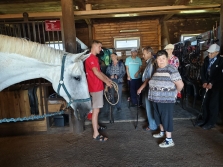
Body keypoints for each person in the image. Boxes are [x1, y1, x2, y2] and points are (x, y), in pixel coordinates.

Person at [148, 50, 184, 148]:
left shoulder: (172, 69)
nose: (161, 61)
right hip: (156, 99)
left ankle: (169, 140)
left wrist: (175, 93)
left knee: (166, 119)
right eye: (159, 59)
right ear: (156, 61)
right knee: (158, 117)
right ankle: (162, 132)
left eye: (163, 58)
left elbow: (180, 84)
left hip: (166, 100)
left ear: (167, 59)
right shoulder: (157, 69)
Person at [85, 40, 112, 141]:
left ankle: (96, 127)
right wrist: (107, 82)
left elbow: (99, 72)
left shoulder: (94, 58)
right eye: (100, 47)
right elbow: (96, 73)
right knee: (95, 110)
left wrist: (107, 79)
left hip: (97, 86)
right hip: (95, 87)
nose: (101, 49)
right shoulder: (90, 58)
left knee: (97, 109)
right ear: (94, 46)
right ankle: (96, 134)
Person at [195, 44, 223, 130]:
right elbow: (203, 70)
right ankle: (204, 119)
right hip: (206, 84)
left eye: (211, 53)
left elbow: (219, 74)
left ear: (217, 52)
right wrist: (204, 81)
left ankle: (211, 122)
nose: (209, 55)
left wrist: (211, 83)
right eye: (209, 53)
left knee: (213, 104)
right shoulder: (207, 59)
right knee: (205, 102)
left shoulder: (221, 60)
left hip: (216, 86)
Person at [137, 46, 157, 131]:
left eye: (144, 54)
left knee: (149, 107)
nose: (143, 55)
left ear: (149, 53)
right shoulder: (149, 62)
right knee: (149, 106)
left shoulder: (152, 62)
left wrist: (140, 88)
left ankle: (152, 125)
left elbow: (148, 78)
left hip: (149, 87)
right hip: (148, 87)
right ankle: (152, 123)